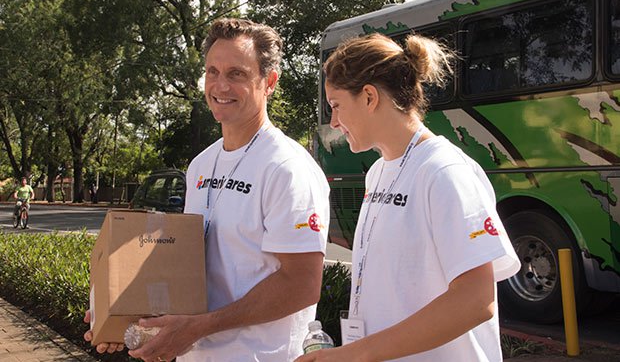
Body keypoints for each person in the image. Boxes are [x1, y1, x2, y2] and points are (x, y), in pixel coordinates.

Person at [84, 18, 330, 362]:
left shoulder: (288, 168)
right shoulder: (200, 165)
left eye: (236, 74)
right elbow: (196, 270)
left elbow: (302, 284)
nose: (220, 85)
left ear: (269, 82)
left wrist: (200, 327)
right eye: (212, 71)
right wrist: (122, 318)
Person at [295, 33, 521, 362]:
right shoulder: (378, 172)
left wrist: (356, 354)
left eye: (336, 106)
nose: (333, 122)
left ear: (369, 97)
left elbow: (476, 301)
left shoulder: (444, 171)